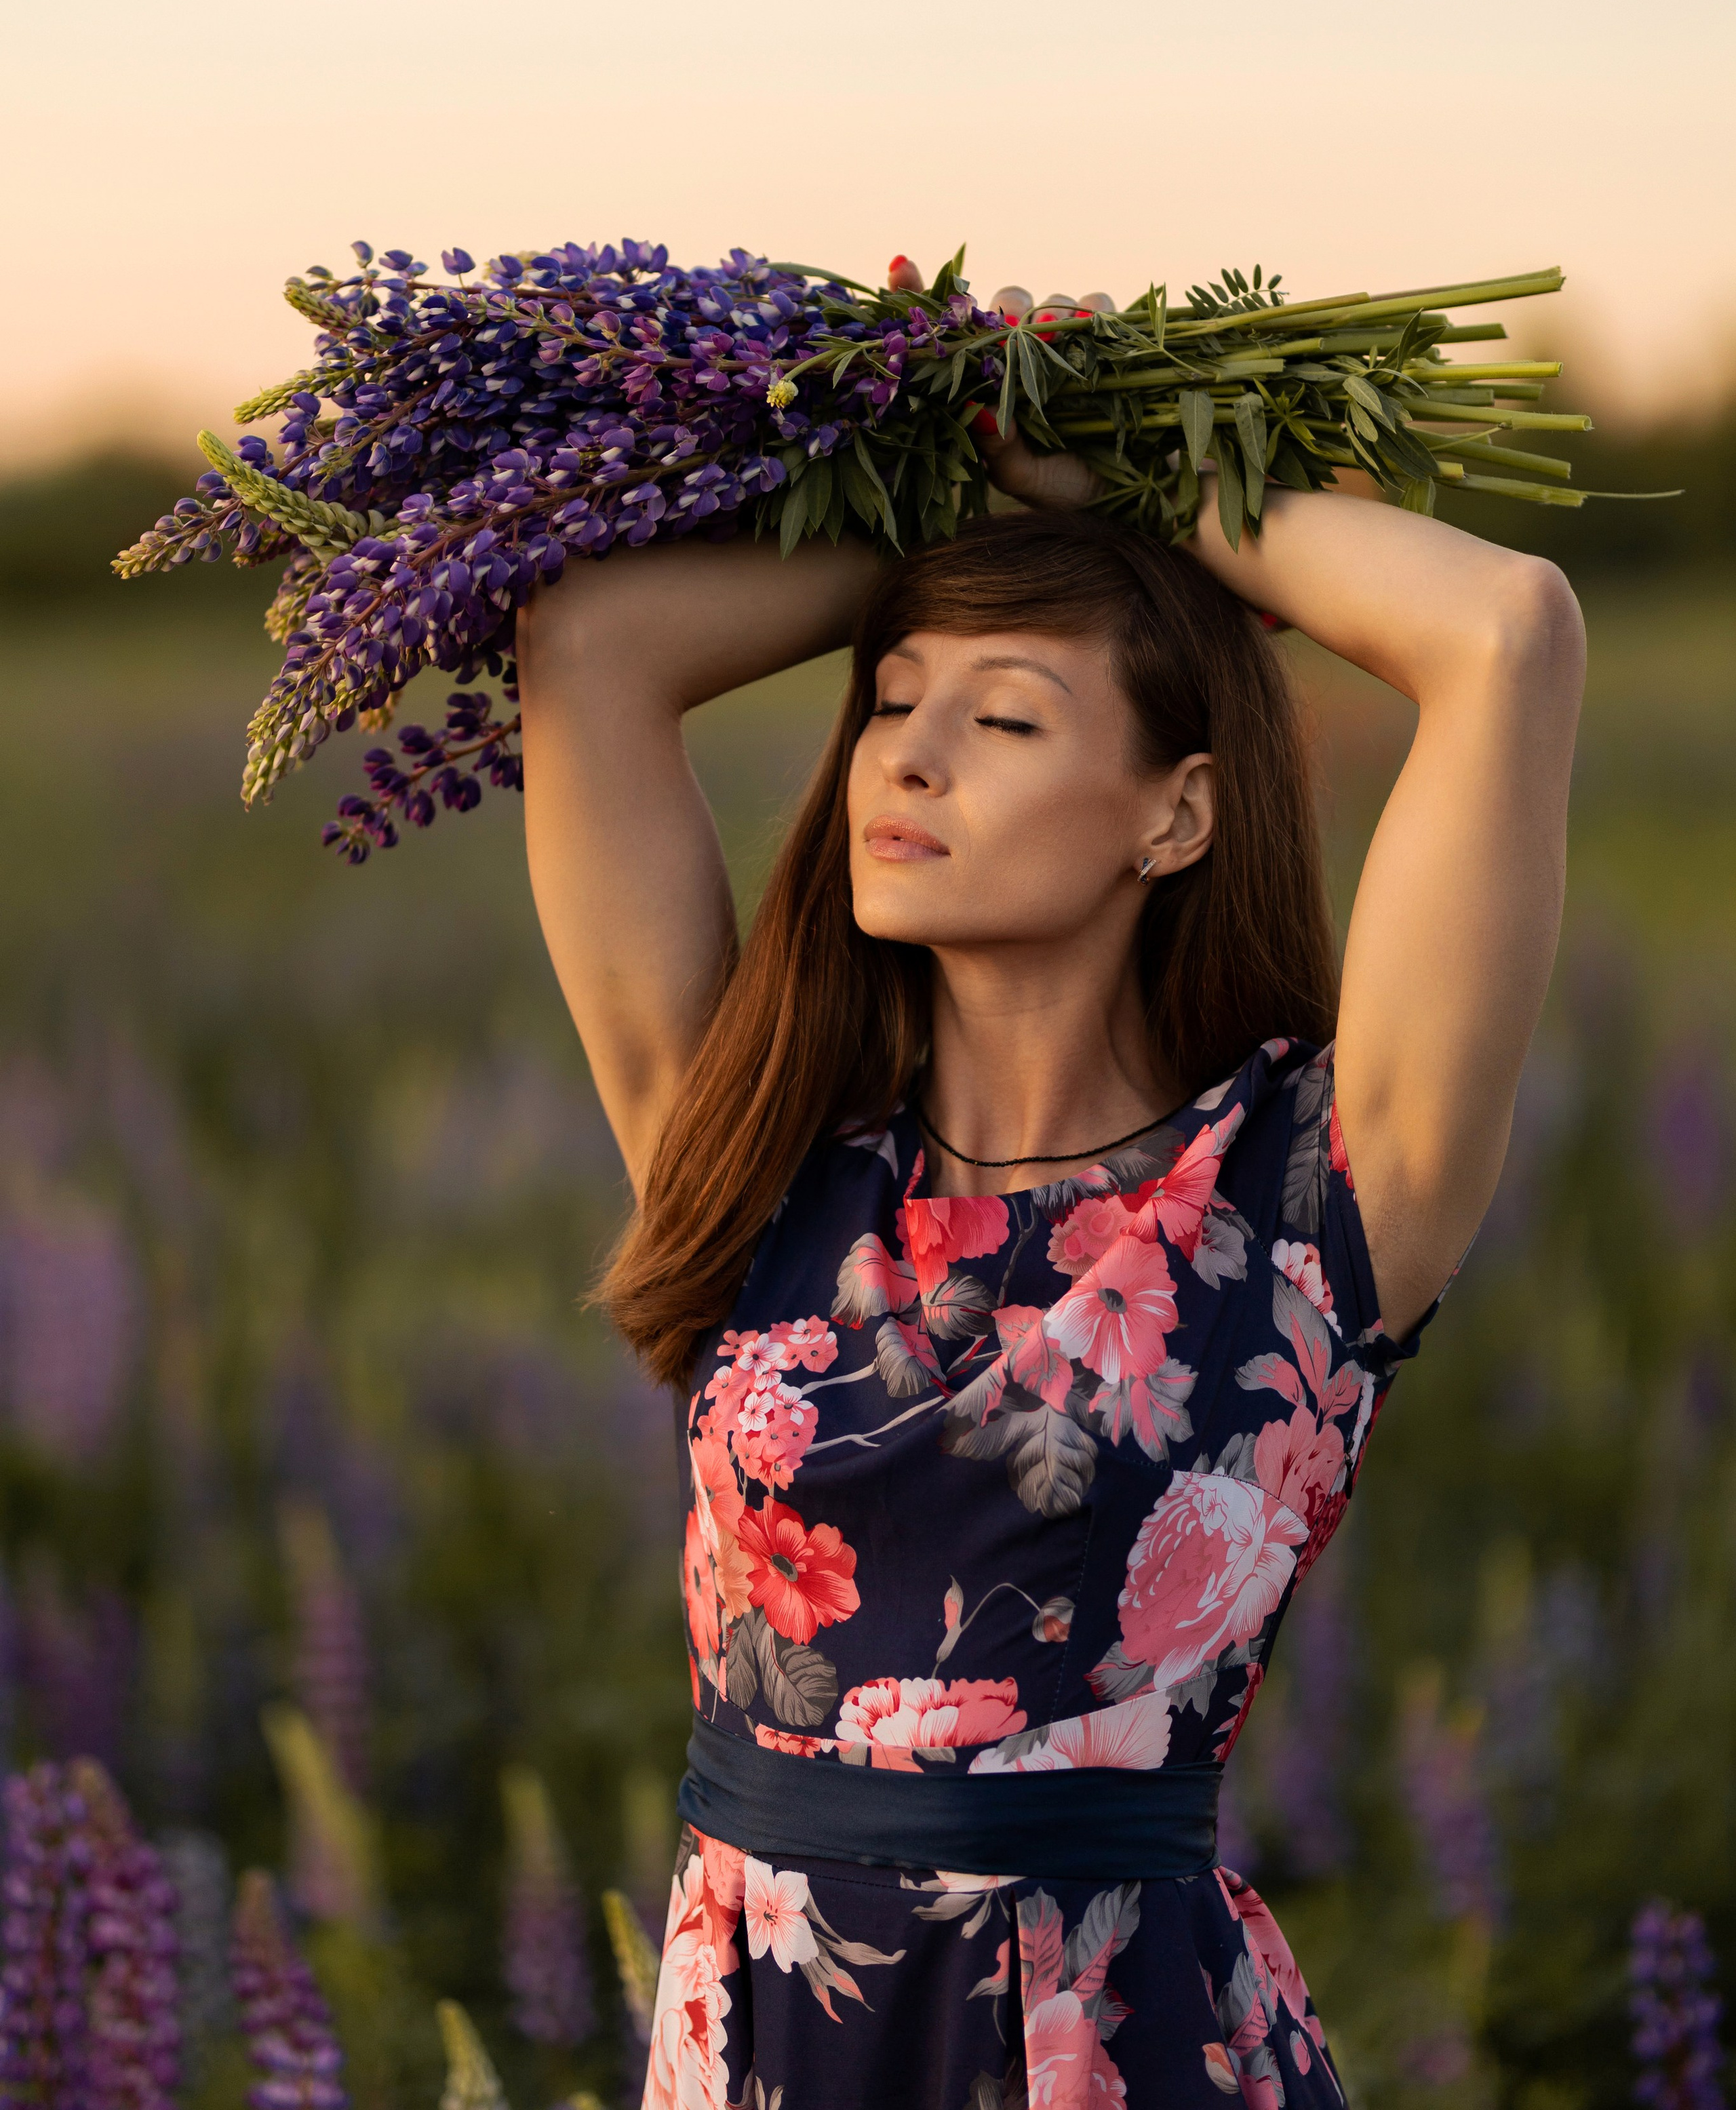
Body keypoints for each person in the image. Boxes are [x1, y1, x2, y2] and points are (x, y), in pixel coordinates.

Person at [516, 268, 1585, 2110]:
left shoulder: (1319, 1191)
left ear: (1177, 815)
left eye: (1004, 723)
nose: (909, 757)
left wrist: (1123, 474)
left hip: (1123, 2039)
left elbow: (1504, 632)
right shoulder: (760, 1153)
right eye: (894, 703)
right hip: (763, 2026)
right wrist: (961, 489)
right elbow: (592, 646)